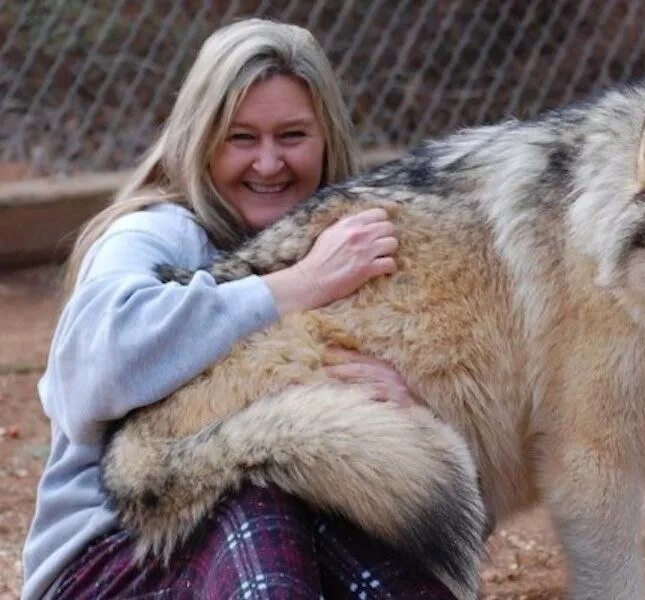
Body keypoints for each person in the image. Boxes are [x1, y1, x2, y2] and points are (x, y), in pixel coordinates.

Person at [22, 19, 454, 600]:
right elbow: (93, 375)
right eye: (241, 138)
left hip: (288, 547)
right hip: (114, 558)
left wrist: (410, 406)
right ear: (200, 139)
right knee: (255, 481)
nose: (269, 164)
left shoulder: (357, 243)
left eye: (293, 136)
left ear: (327, 138)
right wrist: (294, 285)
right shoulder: (156, 233)